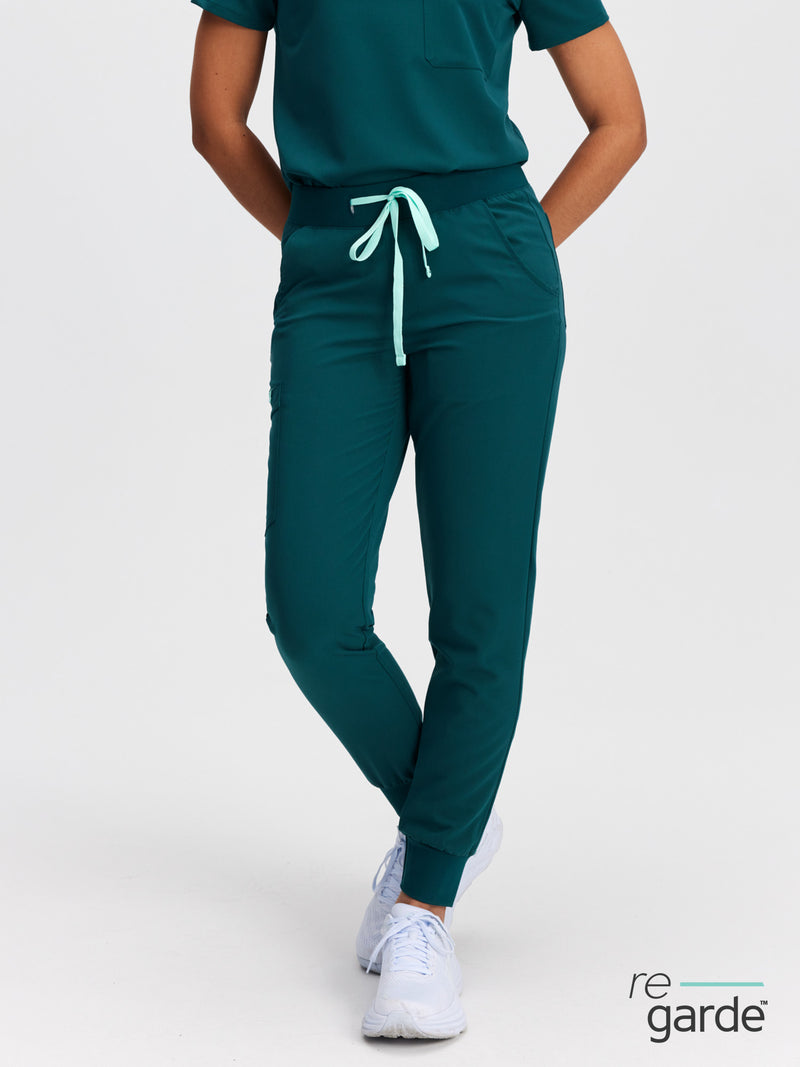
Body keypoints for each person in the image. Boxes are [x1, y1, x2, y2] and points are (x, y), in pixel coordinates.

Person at [189, 0, 646, 1041]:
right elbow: (216, 121)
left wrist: (516, 244)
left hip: (490, 272)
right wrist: (321, 235)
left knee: (480, 611)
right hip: (334, 275)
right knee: (310, 610)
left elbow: (618, 119)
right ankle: (452, 816)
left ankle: (423, 906)